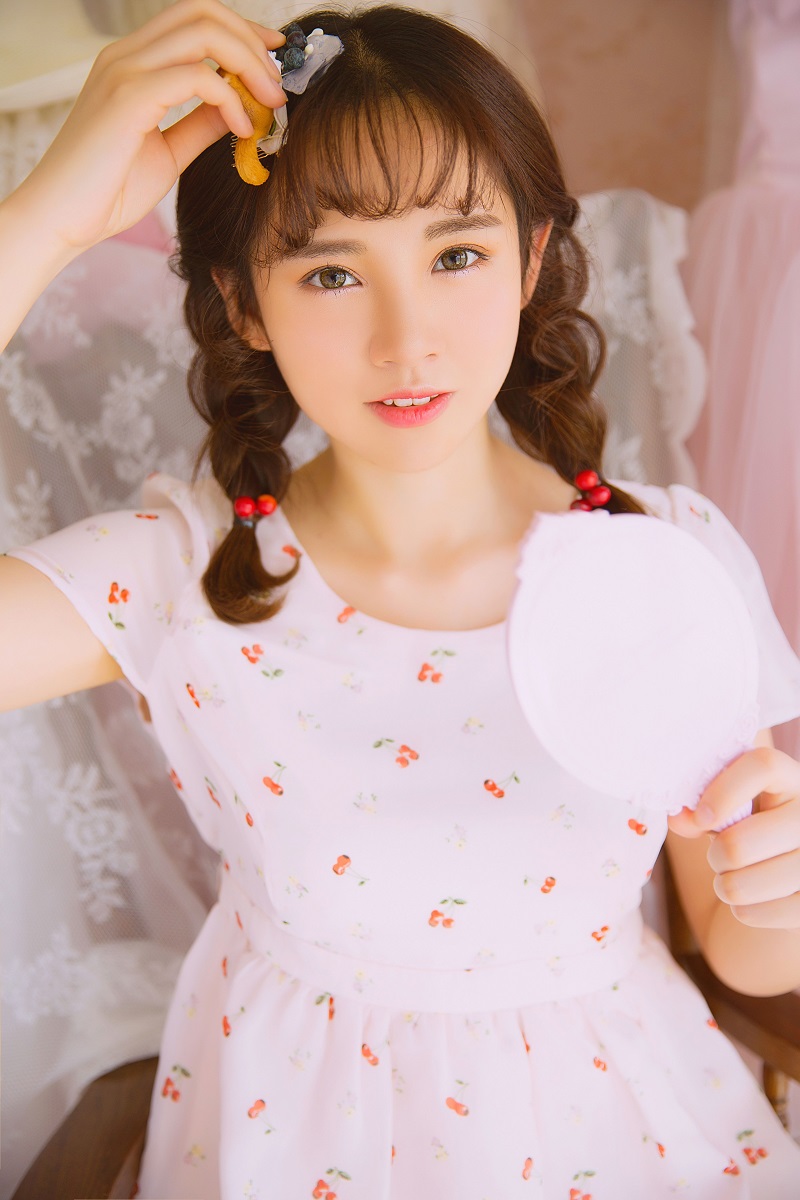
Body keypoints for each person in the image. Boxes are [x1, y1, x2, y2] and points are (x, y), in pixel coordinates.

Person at [2, 1, 800, 1196]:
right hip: (290, 1145)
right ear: (242, 303)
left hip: (619, 1138)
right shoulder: (182, 574)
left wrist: (777, 884)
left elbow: (739, 947)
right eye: (331, 271)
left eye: (455, 254)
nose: (404, 336)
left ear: (530, 258)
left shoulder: (659, 556)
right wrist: (44, 222)